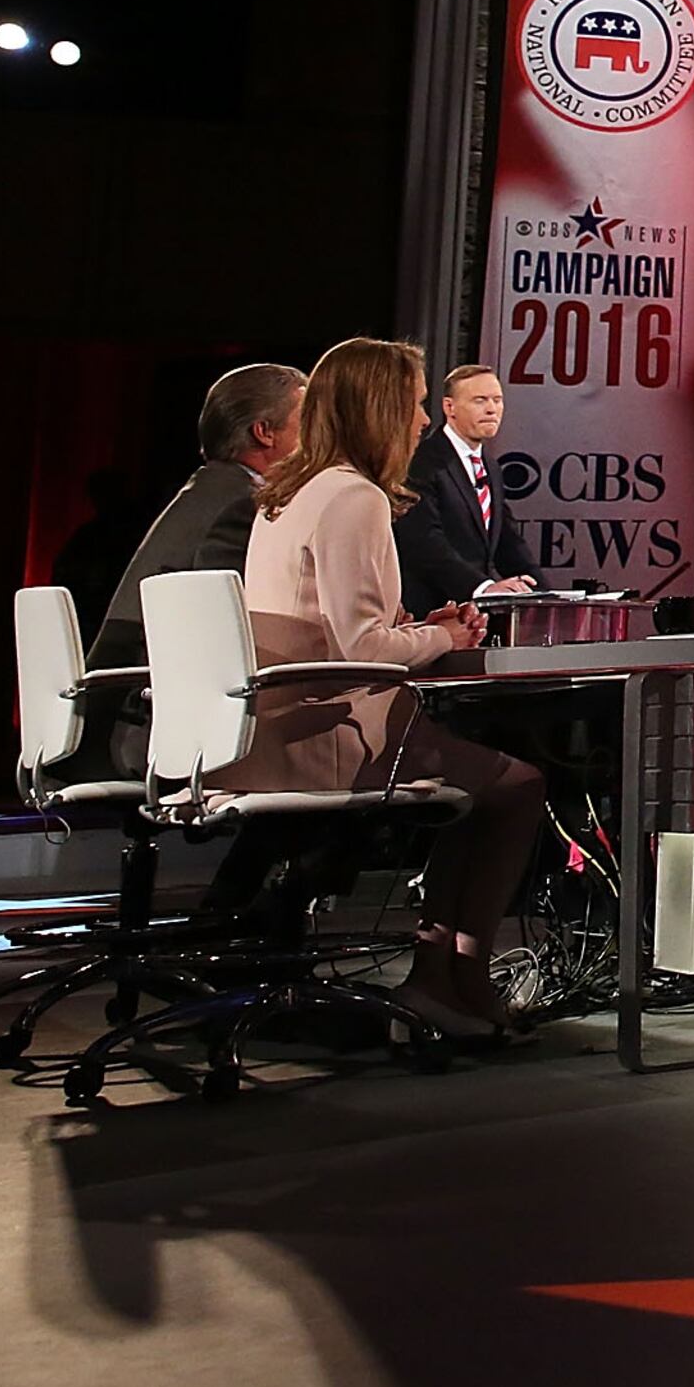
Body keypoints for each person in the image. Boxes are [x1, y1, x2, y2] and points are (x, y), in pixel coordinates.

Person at [234, 337, 547, 1036]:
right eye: (410, 405)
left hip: (280, 725)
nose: (420, 424)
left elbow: (333, 626)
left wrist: (415, 625)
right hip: (335, 736)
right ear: (377, 410)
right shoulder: (354, 497)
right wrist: (447, 637)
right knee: (518, 787)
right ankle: (444, 978)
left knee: (479, 793)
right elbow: (360, 649)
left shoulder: (289, 493)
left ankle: (454, 977)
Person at [88, 362, 306, 666]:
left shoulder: (212, 489)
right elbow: (230, 639)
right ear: (265, 432)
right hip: (149, 701)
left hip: (136, 691)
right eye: (307, 422)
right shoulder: (240, 504)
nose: (317, 437)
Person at [397, 361, 534, 615]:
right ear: (450, 407)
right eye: (480, 401)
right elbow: (423, 540)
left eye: (497, 400)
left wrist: (548, 599)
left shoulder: (490, 467)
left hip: (475, 617)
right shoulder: (422, 461)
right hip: (430, 614)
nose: (492, 409)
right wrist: (483, 588)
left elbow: (508, 541)